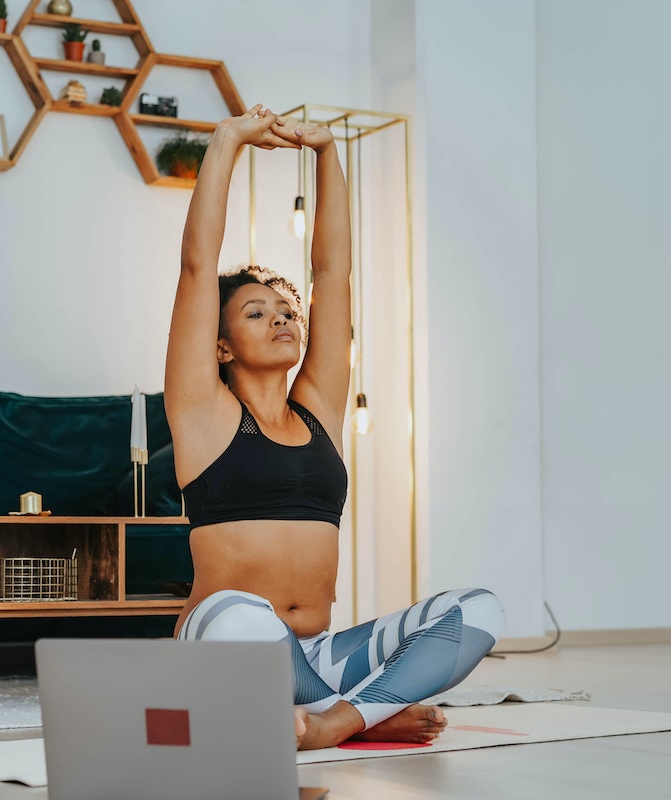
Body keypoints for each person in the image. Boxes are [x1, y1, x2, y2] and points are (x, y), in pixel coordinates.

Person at [164, 105, 506, 751]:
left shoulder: (317, 407)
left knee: (480, 607)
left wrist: (326, 153)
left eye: (287, 310)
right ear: (220, 347)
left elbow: (334, 274)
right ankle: (372, 713)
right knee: (239, 614)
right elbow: (194, 266)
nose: (282, 318)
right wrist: (228, 140)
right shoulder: (202, 411)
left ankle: (333, 722)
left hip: (317, 651)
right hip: (228, 639)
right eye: (256, 312)